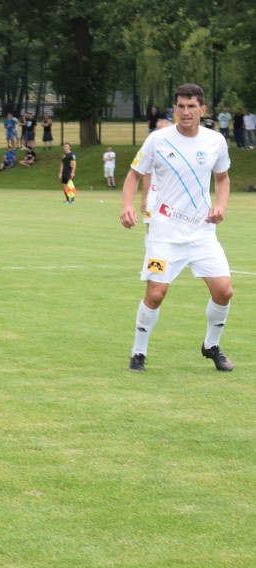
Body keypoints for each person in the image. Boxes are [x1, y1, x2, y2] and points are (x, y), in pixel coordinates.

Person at [119, 83, 233, 373]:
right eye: (180, 106)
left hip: (202, 232)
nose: (185, 112)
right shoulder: (158, 140)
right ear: (175, 109)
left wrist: (221, 205)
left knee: (224, 291)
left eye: (191, 106)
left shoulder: (215, 141)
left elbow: (222, 178)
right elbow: (133, 175)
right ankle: (138, 352)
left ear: (202, 110)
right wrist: (127, 206)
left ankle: (211, 346)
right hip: (164, 234)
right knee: (156, 293)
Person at [140, 113, 174, 230]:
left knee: (170, 230)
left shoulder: (178, 147)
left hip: (172, 196)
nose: (162, 123)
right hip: (153, 195)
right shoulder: (151, 145)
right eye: (160, 120)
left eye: (166, 121)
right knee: (150, 228)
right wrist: (144, 198)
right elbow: (146, 174)